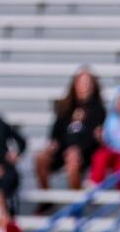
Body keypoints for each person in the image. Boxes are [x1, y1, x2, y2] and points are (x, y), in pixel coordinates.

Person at [35, 67, 106, 195]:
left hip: (85, 154)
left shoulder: (98, 110)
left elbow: (96, 138)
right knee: (40, 158)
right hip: (63, 150)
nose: (84, 86)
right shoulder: (66, 107)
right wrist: (52, 146)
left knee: (73, 158)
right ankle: (46, 199)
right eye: (81, 82)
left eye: (88, 83)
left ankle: (76, 203)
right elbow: (55, 133)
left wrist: (79, 148)